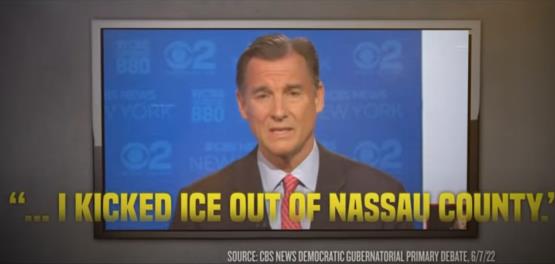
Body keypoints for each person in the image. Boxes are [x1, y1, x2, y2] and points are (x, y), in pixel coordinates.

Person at [171, 34, 409, 230]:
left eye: (293, 93)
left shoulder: (382, 197)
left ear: (318, 97)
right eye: (263, 95)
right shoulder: (198, 206)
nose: (278, 112)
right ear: (242, 104)